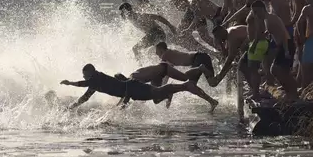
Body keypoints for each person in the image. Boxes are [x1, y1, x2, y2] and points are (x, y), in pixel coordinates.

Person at [61, 64, 218, 112]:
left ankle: (184, 86)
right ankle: (169, 92)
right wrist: (71, 107)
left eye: (85, 75)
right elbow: (85, 97)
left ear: (91, 73)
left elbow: (84, 85)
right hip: (134, 91)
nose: (84, 77)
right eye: (83, 75)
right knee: (157, 96)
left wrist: (70, 83)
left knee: (158, 92)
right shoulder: (95, 82)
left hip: (134, 89)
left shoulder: (96, 78)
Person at [251, 2, 299, 101]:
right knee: (278, 71)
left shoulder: (270, 19)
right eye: (253, 12)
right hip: (282, 46)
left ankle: (293, 93)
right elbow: (273, 31)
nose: (255, 15)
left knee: (278, 71)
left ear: (262, 9)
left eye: (256, 12)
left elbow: (284, 34)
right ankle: (289, 93)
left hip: (286, 45)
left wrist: (286, 50)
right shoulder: (266, 19)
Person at [128, 62, 216, 108]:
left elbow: (128, 97)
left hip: (165, 68)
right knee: (156, 100)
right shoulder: (131, 81)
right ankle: (170, 92)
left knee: (184, 77)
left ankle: (200, 68)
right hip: (156, 76)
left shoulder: (133, 80)